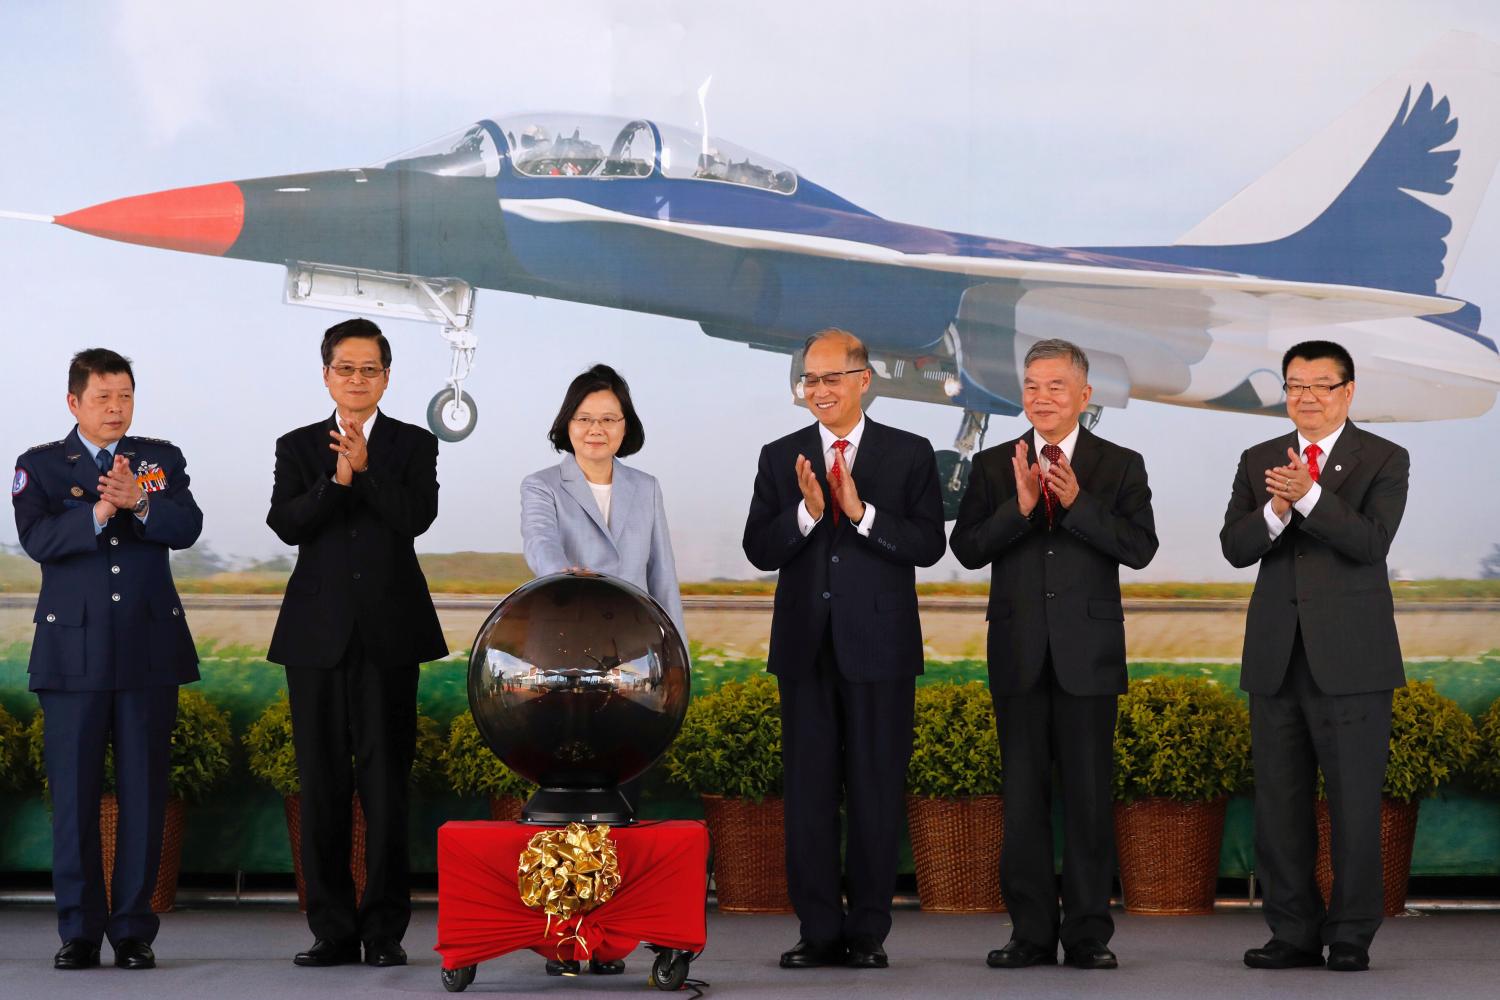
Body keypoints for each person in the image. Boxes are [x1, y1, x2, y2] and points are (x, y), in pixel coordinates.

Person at [950, 338, 1157, 972]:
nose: (1042, 397)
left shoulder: (1120, 465)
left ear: (1084, 395)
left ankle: (1089, 935)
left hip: (1088, 657)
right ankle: (1030, 933)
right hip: (1017, 654)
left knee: (1091, 800)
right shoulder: (992, 466)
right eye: (1033, 386)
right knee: (1023, 801)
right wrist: (1020, 507)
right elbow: (967, 549)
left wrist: (1073, 503)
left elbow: (1139, 547)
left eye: (1056, 387)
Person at [743, 328, 945, 971]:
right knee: (807, 794)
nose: (819, 389)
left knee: (875, 791)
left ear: (865, 379)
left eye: (832, 377)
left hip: (880, 649)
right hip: (805, 648)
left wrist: (859, 513)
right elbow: (759, 549)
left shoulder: (910, 454)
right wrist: (806, 514)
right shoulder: (781, 456)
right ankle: (818, 929)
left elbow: (927, 546)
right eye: (810, 379)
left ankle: (868, 932)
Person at [12, 348, 202, 971]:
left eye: (125, 396)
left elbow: (187, 525)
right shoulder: (38, 467)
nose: (116, 408)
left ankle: (133, 931)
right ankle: (79, 931)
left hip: (149, 651)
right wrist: (99, 511)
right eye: (102, 398)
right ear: (74, 403)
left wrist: (139, 503)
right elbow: (39, 540)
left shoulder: (159, 459)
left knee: (144, 795)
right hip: (72, 655)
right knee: (73, 796)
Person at [1221, 340, 1408, 973]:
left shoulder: (1383, 457)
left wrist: (1308, 497)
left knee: (1354, 801)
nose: (1306, 397)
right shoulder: (1258, 459)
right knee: (1279, 803)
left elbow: (1370, 543)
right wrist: (1275, 508)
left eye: (1321, 386)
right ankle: (1292, 931)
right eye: (1295, 385)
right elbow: (1235, 547)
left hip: (1352, 660)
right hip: (1276, 657)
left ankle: (1351, 934)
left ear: (1347, 392)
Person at [266, 317, 447, 969]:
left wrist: (368, 473)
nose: (357, 379)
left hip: (389, 636)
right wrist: (337, 482)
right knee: (322, 786)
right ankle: (332, 929)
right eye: (346, 368)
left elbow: (414, 518)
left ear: (387, 377)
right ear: (326, 375)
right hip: (314, 638)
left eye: (370, 369)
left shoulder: (413, 443)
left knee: (385, 786)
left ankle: (383, 933)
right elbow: (287, 524)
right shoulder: (297, 446)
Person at [518, 362, 685, 978]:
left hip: (635, 663)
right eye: (586, 418)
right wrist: (568, 577)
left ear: (625, 427)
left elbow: (662, 575)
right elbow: (541, 548)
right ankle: (564, 937)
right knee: (567, 797)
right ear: (567, 425)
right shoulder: (542, 484)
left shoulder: (646, 486)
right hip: (563, 656)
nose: (597, 429)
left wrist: (677, 659)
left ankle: (609, 938)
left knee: (623, 800)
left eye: (609, 419)